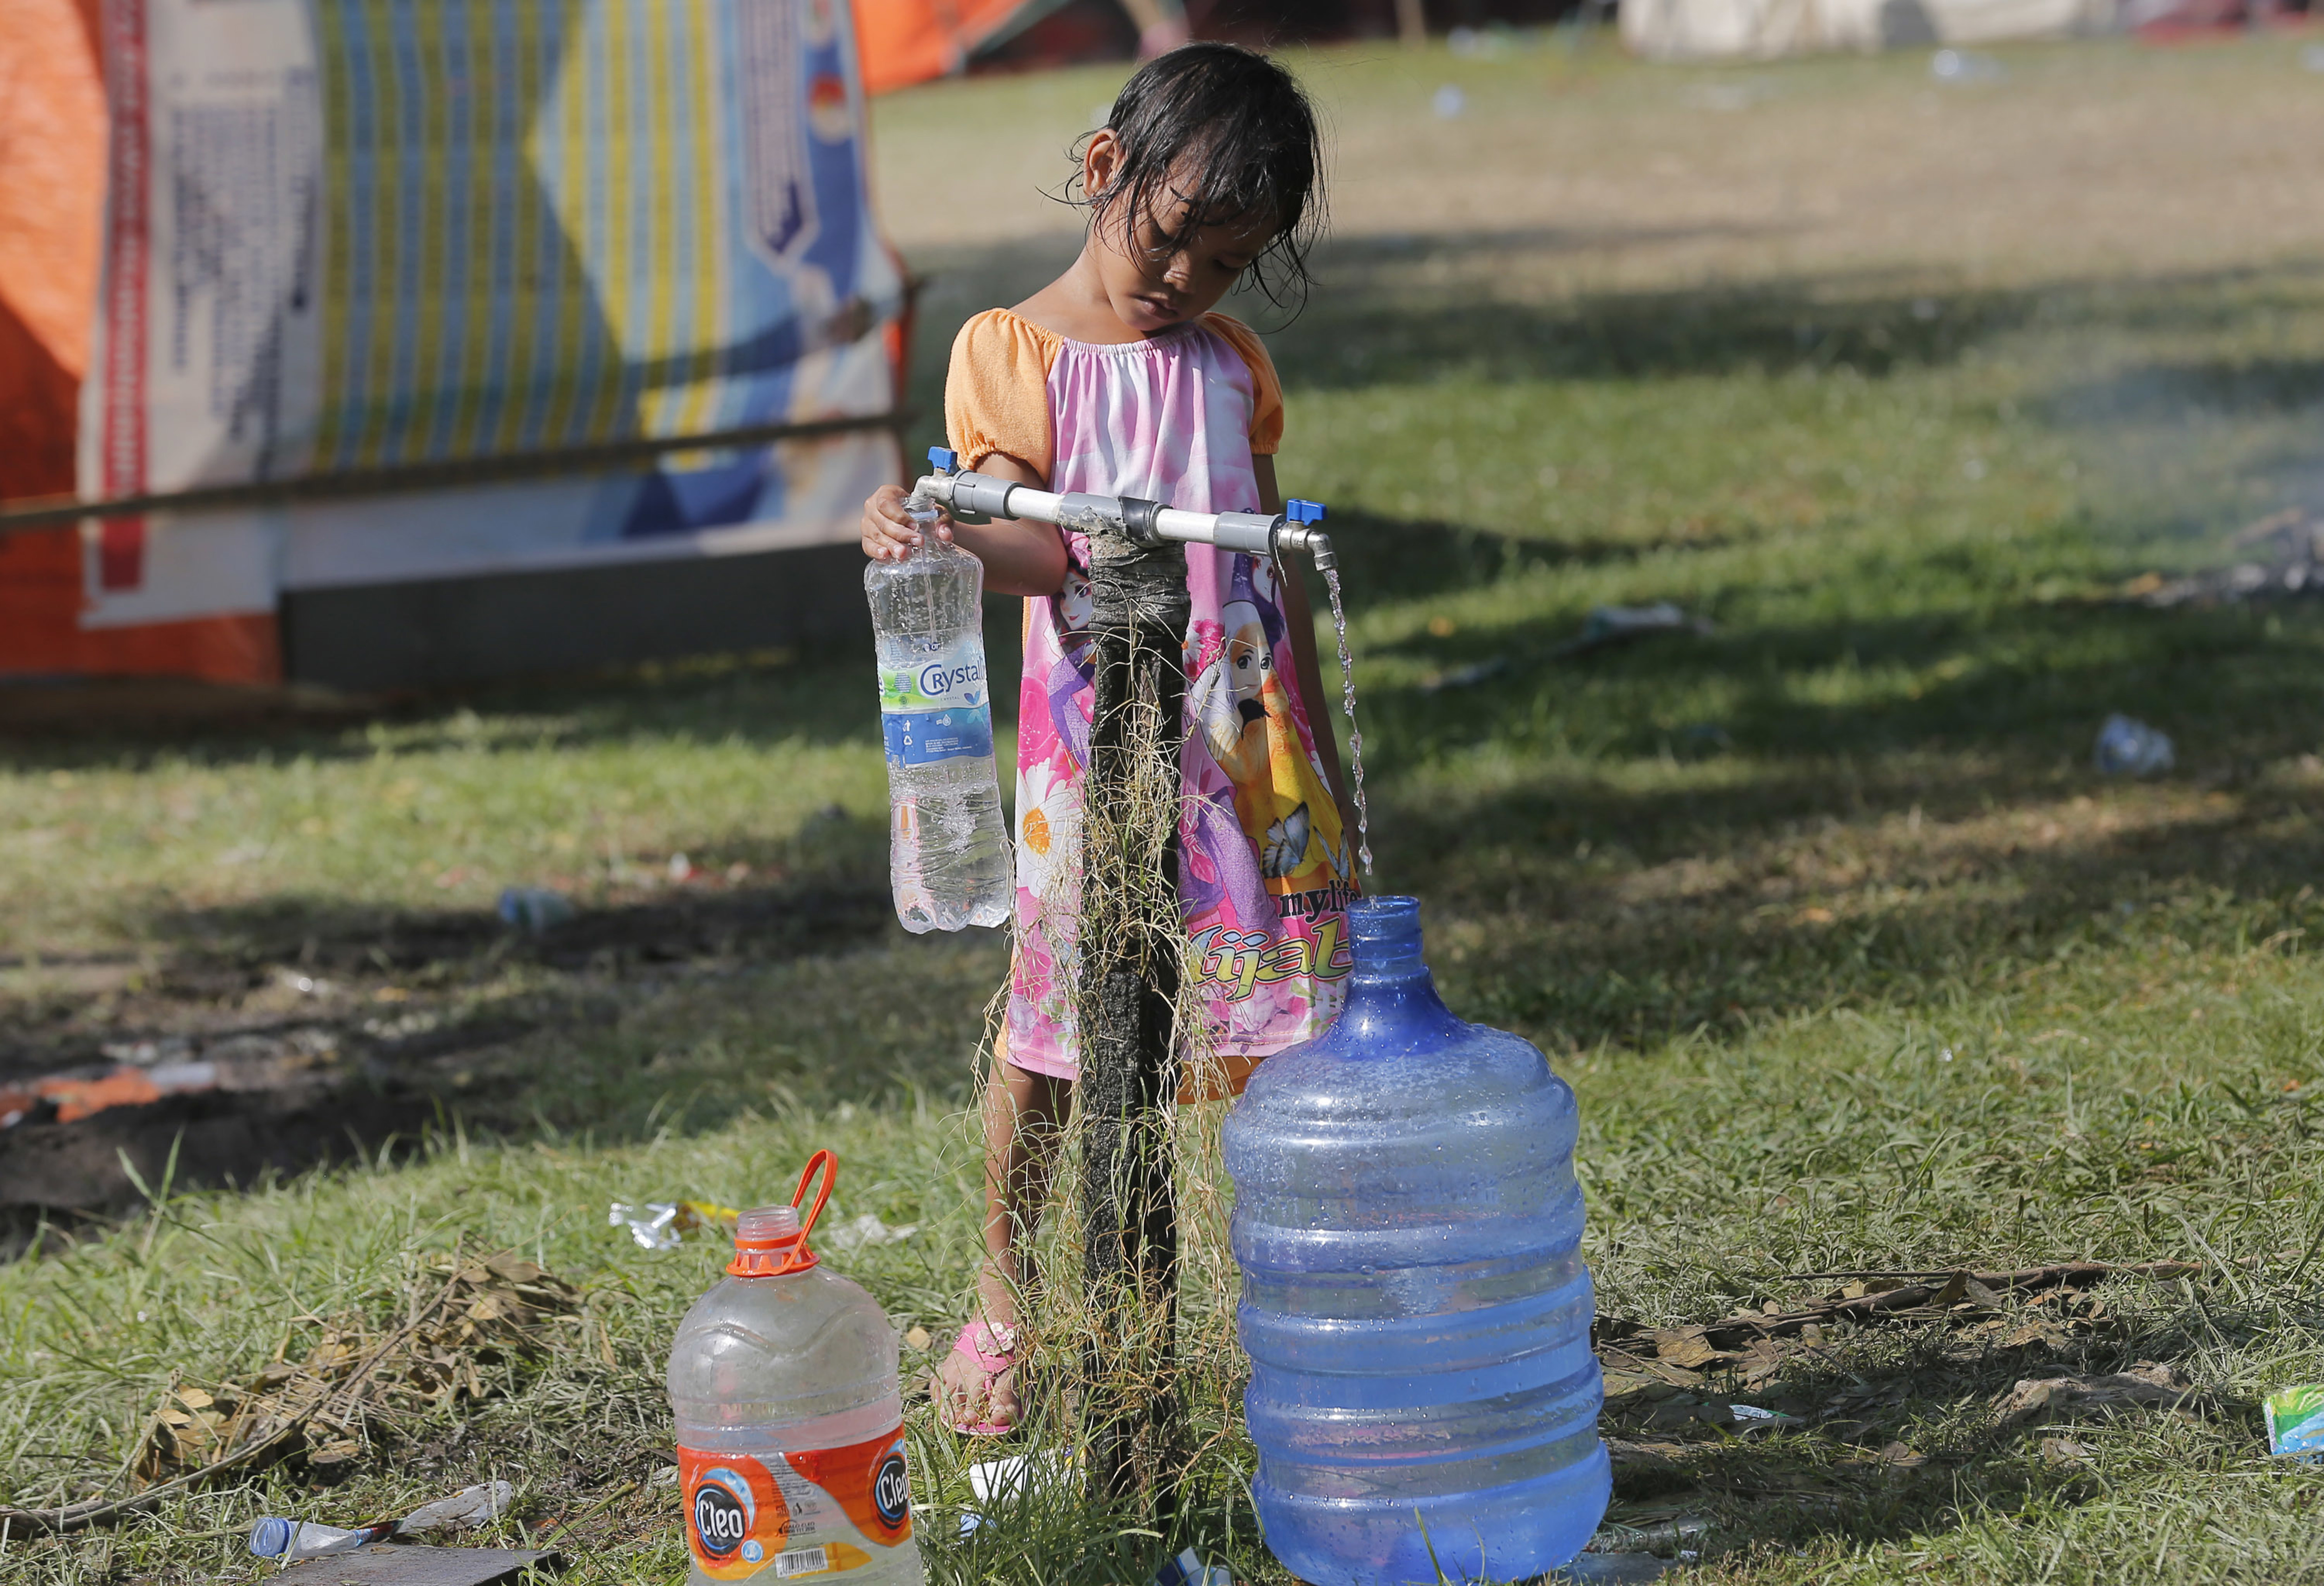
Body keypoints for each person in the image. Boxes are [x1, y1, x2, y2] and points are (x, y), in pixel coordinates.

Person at [858, 42, 1357, 1437]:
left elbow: (1270, 576)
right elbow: (1031, 552)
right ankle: (1005, 1297)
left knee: (1292, 1017)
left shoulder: (1228, 366)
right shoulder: (1014, 357)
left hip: (1247, 748)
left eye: (1227, 262)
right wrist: (941, 523)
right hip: (1095, 751)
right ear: (1102, 171)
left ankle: (1297, 1306)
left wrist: (1307, 752)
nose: (1187, 281)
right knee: (1057, 1031)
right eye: (1173, 240)